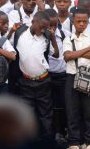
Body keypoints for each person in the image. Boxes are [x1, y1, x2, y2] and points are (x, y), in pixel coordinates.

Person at [10, 10, 59, 139]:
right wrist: (11, 31)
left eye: (45, 28)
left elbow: (56, 54)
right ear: (33, 22)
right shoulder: (19, 33)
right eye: (41, 27)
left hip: (43, 81)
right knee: (27, 114)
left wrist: (52, 37)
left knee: (46, 115)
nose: (43, 30)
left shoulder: (46, 36)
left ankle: (47, 143)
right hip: (25, 82)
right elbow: (8, 46)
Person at [63, 8, 90, 149]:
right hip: (72, 76)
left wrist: (76, 53)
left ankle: (89, 144)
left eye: (84, 21)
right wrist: (86, 49)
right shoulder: (68, 38)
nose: (81, 24)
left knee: (89, 110)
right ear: (73, 21)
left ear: (88, 22)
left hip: (88, 75)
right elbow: (67, 56)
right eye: (78, 21)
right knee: (72, 111)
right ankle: (74, 144)